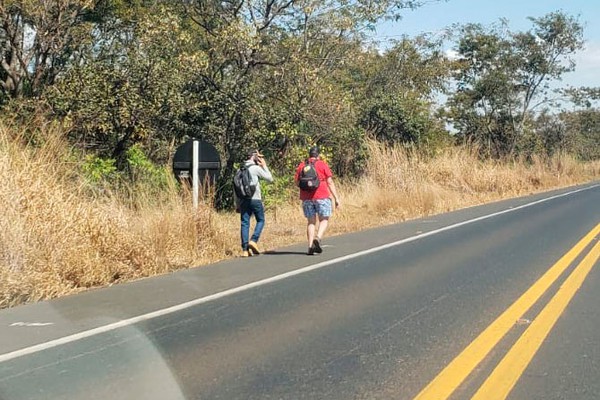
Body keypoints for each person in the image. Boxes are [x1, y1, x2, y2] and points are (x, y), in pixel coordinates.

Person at [294, 146, 341, 255]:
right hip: (322, 196)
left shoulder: (302, 166)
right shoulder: (322, 164)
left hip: (306, 198)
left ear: (309, 155)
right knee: (324, 219)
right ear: (318, 155)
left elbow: (297, 183)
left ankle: (310, 247)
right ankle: (318, 238)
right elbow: (330, 182)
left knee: (311, 222)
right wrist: (336, 198)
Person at [235, 149, 273, 257]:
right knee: (261, 220)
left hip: (243, 200)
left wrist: (237, 204)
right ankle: (254, 240)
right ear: (253, 157)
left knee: (244, 222)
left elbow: (236, 188)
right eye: (258, 156)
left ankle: (245, 250)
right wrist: (264, 165)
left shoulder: (239, 170)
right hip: (255, 199)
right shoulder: (255, 169)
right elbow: (270, 178)